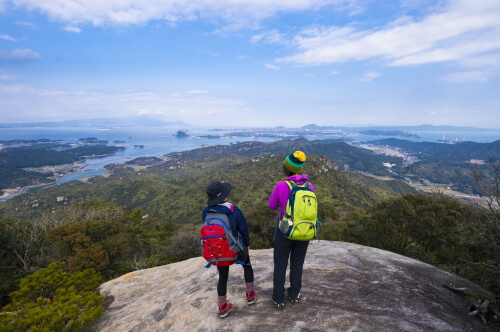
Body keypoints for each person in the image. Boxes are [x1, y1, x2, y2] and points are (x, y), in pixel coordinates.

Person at [202, 181, 259, 318]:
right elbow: (243, 229)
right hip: (236, 249)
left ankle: (222, 307)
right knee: (247, 266)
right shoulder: (234, 210)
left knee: (222, 276)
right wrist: (247, 244)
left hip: (219, 250)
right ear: (225, 197)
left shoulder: (206, 212)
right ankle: (250, 295)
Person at [268, 151, 315, 309]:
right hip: (304, 230)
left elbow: (272, 205)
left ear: (287, 169)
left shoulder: (282, 185)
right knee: (297, 263)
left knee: (280, 265)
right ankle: (294, 294)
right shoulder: (310, 186)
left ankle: (278, 299)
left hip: (285, 231)